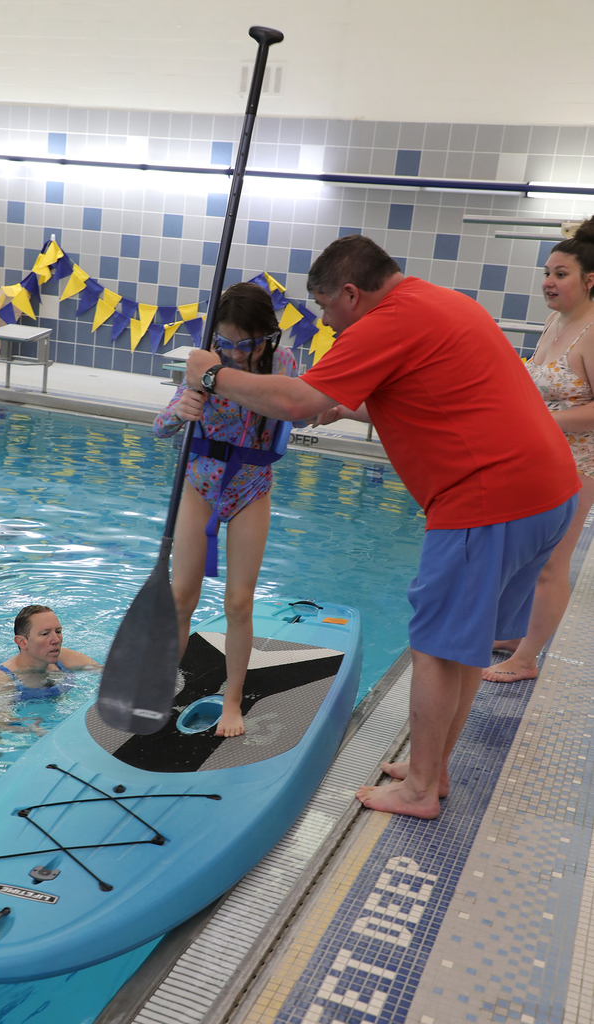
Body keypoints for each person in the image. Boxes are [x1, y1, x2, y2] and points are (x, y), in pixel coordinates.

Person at [185, 235, 580, 818]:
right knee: (464, 646)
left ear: (351, 292)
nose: (327, 322)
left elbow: (297, 401)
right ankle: (434, 769)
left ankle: (419, 790)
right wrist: (346, 402)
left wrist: (212, 375)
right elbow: (417, 395)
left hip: (488, 499)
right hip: (548, 493)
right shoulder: (441, 303)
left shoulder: (384, 322)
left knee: (436, 650)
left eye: (326, 308)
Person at [154, 282, 297, 738]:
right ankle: (163, 685)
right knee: (181, 598)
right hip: (200, 486)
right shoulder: (204, 364)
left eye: (244, 344)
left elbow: (302, 406)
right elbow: (160, 427)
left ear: (266, 339)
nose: (233, 354)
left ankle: (232, 699)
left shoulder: (284, 365)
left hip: (250, 489)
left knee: (238, 603)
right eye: (226, 342)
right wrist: (183, 409)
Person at [482, 218, 594, 683]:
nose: (548, 282)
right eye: (547, 272)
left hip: (580, 462)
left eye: (561, 274)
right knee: (528, 555)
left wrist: (540, 422)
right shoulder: (554, 321)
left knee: (551, 564)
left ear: (590, 281)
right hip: (541, 459)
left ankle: (526, 660)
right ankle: (517, 634)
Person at [0, 605, 101, 734]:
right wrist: (28, 729)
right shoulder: (1, 678)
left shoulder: (64, 657)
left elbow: (107, 673)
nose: (56, 640)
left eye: (58, 631)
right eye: (45, 634)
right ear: (22, 642)